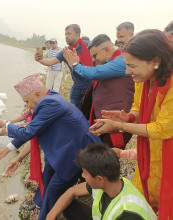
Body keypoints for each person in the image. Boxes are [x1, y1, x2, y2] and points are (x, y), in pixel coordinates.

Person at [0, 74, 101, 220]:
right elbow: (33, 129)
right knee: (47, 176)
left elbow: (29, 131)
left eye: (27, 102)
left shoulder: (50, 104)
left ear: (37, 94)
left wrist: (6, 125)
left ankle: (44, 215)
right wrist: (7, 149)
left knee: (53, 191)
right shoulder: (50, 98)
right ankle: (39, 203)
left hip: (75, 152)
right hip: (63, 148)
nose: (27, 106)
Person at [89, 29, 173, 219]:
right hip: (150, 151)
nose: (128, 72)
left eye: (132, 66)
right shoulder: (142, 79)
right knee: (142, 196)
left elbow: (163, 128)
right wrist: (126, 117)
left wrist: (120, 126)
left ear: (155, 61)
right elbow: (138, 108)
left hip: (167, 152)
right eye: (126, 65)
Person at [46, 143, 157, 220]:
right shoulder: (112, 183)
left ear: (99, 179)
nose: (82, 176)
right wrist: (51, 215)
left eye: (85, 173)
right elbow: (72, 191)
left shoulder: (127, 213)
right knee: (68, 207)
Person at [63, 34, 135, 149]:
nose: (93, 59)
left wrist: (75, 65)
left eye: (95, 55)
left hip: (117, 119)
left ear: (106, 49)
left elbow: (94, 73)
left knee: (109, 154)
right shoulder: (109, 62)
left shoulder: (121, 61)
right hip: (105, 117)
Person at [35, 24, 93, 108]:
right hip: (77, 86)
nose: (66, 36)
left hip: (91, 85)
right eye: (65, 34)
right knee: (74, 109)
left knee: (90, 109)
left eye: (69, 34)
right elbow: (50, 62)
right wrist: (40, 59)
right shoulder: (65, 51)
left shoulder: (89, 45)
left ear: (77, 34)